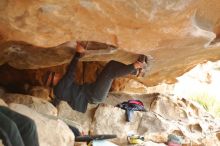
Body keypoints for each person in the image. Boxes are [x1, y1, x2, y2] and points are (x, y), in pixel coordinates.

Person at [53, 42, 147, 113]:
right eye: (54, 75)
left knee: (111, 65)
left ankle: (135, 71)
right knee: (110, 73)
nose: (57, 74)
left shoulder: (59, 91)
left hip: (93, 92)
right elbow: (70, 73)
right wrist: (77, 54)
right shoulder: (59, 88)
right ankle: (136, 66)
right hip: (94, 95)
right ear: (53, 81)